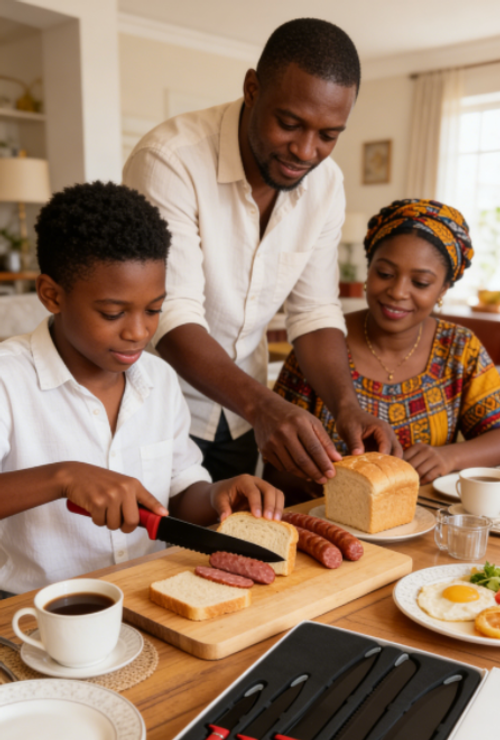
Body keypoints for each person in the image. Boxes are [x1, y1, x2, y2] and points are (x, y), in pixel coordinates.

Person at [123, 17, 400, 489]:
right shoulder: (170, 159)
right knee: (149, 556)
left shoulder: (326, 185)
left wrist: (347, 407)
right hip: (157, 406)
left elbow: (313, 311)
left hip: (237, 413)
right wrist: (265, 405)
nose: (306, 151)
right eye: (289, 123)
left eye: (329, 135)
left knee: (222, 552)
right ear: (252, 88)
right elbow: (171, 316)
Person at [0, 182, 283, 596]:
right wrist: (63, 477)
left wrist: (217, 495)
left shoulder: (159, 379)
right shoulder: (9, 378)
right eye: (113, 313)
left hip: (146, 594)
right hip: (32, 609)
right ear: (52, 295)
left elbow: (177, 494)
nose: (138, 332)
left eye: (153, 310)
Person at [269, 199, 500, 502]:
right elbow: (273, 464)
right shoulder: (321, 341)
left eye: (420, 282)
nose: (398, 291)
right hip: (325, 521)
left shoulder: (459, 349)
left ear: (443, 289)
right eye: (385, 273)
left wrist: (449, 458)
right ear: (368, 270)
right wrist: (314, 477)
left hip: (422, 524)